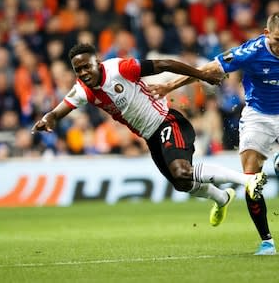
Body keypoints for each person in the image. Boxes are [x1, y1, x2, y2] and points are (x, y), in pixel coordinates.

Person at [148, 11, 279, 255]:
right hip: (257, 117)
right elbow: (208, 69)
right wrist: (169, 85)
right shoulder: (249, 52)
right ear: (266, 34)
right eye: (277, 40)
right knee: (251, 179)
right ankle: (267, 241)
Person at [31, 43, 267, 227]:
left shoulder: (119, 69)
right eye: (78, 69)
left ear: (98, 63)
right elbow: (59, 110)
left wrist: (202, 76)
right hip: (151, 137)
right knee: (182, 183)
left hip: (167, 121)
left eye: (86, 66)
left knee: (182, 170)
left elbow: (164, 63)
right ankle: (222, 198)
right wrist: (47, 119)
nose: (83, 72)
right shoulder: (83, 90)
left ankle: (247, 180)